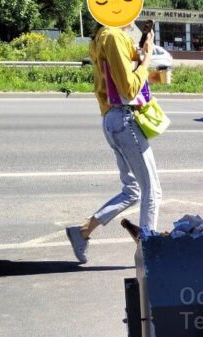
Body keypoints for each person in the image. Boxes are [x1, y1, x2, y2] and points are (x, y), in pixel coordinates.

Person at [66, 22, 163, 264]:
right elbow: (129, 88)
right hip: (124, 119)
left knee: (133, 190)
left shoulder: (101, 37)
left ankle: (82, 233)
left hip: (112, 120)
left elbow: (125, 74)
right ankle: (149, 258)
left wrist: (141, 50)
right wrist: (148, 55)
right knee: (152, 190)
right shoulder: (113, 37)